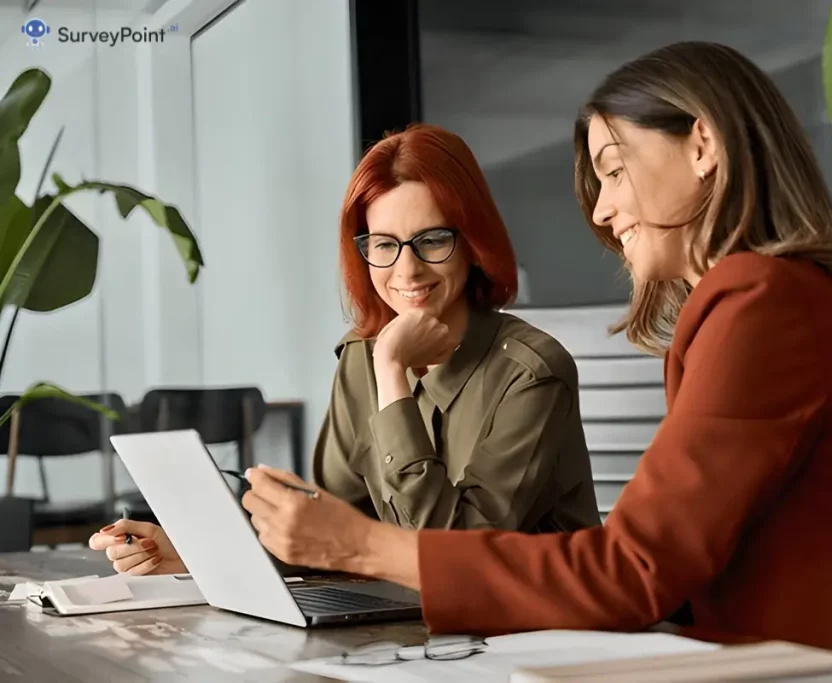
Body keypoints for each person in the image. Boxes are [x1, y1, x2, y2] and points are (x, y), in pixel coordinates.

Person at [235, 42, 832, 663]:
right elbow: (661, 568)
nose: (601, 210)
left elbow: (632, 569)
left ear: (702, 143)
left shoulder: (766, 302)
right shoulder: (769, 300)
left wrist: (367, 546)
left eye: (611, 167)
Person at [89, 124, 601, 576]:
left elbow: (452, 554)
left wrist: (392, 372)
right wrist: (192, 550)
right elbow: (333, 527)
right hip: (406, 624)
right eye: (384, 244)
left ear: (472, 242)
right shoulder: (361, 357)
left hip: (525, 633)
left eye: (432, 240)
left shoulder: (531, 372)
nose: (407, 270)